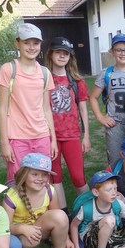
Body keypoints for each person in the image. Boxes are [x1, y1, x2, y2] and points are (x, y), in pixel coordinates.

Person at [0, 22, 57, 182]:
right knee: (18, 181)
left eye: (35, 43)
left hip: (42, 136)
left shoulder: (45, 73)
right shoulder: (8, 70)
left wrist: (53, 140)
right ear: (17, 43)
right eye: (26, 42)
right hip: (17, 138)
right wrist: (4, 143)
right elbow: (2, 109)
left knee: (42, 181)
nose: (31, 47)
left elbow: (46, 109)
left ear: (40, 45)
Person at [3, 153, 78, 248]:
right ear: (24, 174)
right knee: (31, 241)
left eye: (44, 174)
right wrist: (22, 228)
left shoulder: (50, 190)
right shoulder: (11, 197)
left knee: (60, 215)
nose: (40, 178)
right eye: (35, 174)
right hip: (18, 234)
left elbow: (57, 217)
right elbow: (5, 227)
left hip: (38, 228)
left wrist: (67, 239)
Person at [44, 36, 90, 214]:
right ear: (51, 54)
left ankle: (90, 211)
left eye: (66, 53)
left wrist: (86, 136)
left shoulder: (77, 81)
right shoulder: (44, 78)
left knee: (78, 176)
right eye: (58, 52)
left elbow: (83, 110)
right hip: (50, 136)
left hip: (71, 135)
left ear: (70, 56)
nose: (62, 56)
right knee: (55, 176)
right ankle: (63, 213)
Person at [89, 33, 125, 169]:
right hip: (115, 124)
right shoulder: (107, 73)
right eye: (118, 50)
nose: (123, 53)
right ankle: (116, 182)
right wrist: (100, 117)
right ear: (112, 52)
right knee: (115, 160)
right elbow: (93, 97)